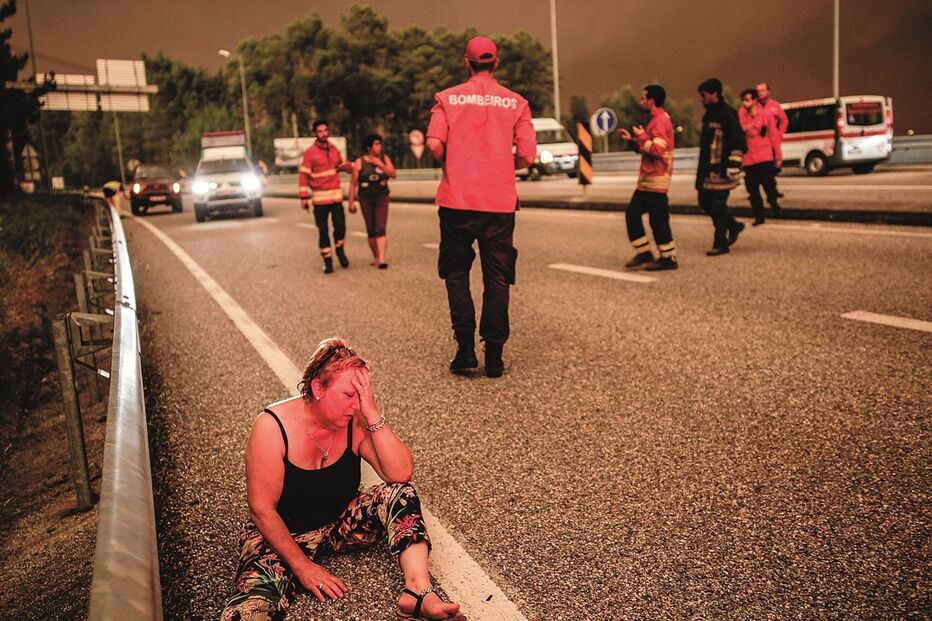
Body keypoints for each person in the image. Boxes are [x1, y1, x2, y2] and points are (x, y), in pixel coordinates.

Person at [220, 338, 465, 621]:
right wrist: (302, 567)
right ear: (318, 388)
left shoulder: (355, 420)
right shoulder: (271, 426)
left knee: (400, 493)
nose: (356, 404)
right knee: (250, 611)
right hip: (285, 534)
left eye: (361, 395)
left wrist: (371, 412)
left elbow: (399, 474)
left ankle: (417, 592)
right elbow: (261, 509)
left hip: (339, 524)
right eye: (349, 394)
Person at [425, 35, 536, 378]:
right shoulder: (516, 102)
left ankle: (465, 350)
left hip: (456, 201)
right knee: (497, 278)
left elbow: (433, 144)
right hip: (499, 203)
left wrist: (453, 163)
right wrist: (503, 166)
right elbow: (528, 155)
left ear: (467, 62)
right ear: (496, 63)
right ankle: (495, 357)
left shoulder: (447, 98)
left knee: (456, 273)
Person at [617, 84, 678, 271]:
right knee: (632, 214)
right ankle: (644, 253)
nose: (640, 101)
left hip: (656, 180)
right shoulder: (654, 120)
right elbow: (647, 148)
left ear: (651, 100)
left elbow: (658, 149)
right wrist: (633, 141)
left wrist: (642, 136)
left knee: (658, 220)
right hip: (647, 182)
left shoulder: (660, 120)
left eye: (643, 98)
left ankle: (668, 257)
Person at [695, 78, 747, 256]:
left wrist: (733, 164)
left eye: (703, 95)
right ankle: (733, 225)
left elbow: (739, 141)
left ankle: (720, 242)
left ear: (714, 94)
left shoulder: (728, 114)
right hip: (707, 171)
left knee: (718, 206)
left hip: (723, 170)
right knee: (704, 202)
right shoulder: (708, 115)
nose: (700, 99)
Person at [299, 120, 355, 274]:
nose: (323, 133)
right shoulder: (310, 153)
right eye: (320, 131)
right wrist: (303, 197)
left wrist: (350, 166)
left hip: (336, 197)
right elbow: (303, 175)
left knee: (341, 227)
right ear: (315, 133)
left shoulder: (334, 149)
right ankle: (328, 261)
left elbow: (343, 166)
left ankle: (340, 250)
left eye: (325, 130)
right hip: (320, 199)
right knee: (323, 231)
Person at [347, 134, 397, 269]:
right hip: (365, 198)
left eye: (380, 144)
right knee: (371, 229)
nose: (379, 146)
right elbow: (353, 184)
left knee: (380, 227)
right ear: (369, 147)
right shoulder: (360, 162)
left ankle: (382, 258)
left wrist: (381, 164)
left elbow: (393, 174)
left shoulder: (384, 158)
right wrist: (351, 202)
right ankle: (376, 256)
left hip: (382, 196)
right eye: (376, 144)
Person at [738, 89, 783, 225]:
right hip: (748, 159)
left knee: (768, 185)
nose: (745, 103)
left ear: (754, 100)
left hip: (764, 157)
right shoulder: (741, 115)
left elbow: (774, 136)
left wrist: (778, 156)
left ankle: (774, 205)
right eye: (743, 100)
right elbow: (738, 132)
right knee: (752, 190)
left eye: (747, 100)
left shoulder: (766, 115)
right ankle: (759, 216)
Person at [756, 82, 789, 198]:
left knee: (771, 168)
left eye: (763, 90)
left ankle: (772, 191)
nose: (760, 93)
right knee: (759, 167)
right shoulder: (754, 106)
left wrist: (779, 134)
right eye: (758, 91)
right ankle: (756, 190)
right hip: (758, 142)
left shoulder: (775, 105)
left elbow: (784, 121)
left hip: (772, 141)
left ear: (768, 92)